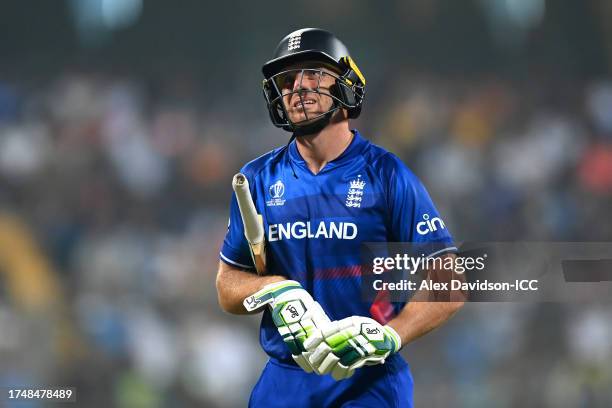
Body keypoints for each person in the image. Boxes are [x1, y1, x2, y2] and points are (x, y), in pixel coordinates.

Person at [216, 27, 464, 407]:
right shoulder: (256, 180)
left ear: (346, 84)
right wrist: (274, 289)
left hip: (369, 382)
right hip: (284, 383)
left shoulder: (386, 174)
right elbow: (227, 287)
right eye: (287, 79)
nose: (298, 87)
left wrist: (391, 336)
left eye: (313, 73)